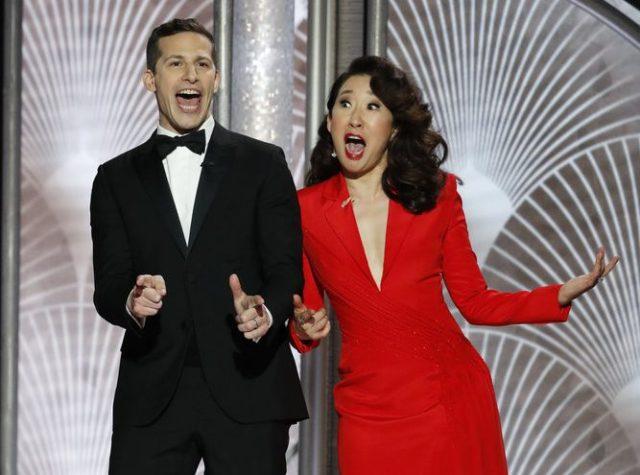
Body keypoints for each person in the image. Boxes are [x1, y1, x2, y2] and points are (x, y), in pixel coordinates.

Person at [288, 56, 619, 475]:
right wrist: (303, 327)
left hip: (446, 401)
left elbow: (475, 302)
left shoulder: (437, 196)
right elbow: (306, 316)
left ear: (393, 128)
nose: (355, 117)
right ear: (330, 122)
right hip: (366, 412)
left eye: (372, 106)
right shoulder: (304, 210)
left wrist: (558, 294)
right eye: (345, 104)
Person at [90, 18, 306, 474]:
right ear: (151, 79)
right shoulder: (115, 179)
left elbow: (286, 269)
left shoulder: (264, 163)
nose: (191, 74)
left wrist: (264, 314)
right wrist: (132, 300)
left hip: (249, 385)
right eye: (176, 63)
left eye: (202, 64)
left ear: (216, 78)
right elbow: (108, 286)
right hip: (153, 396)